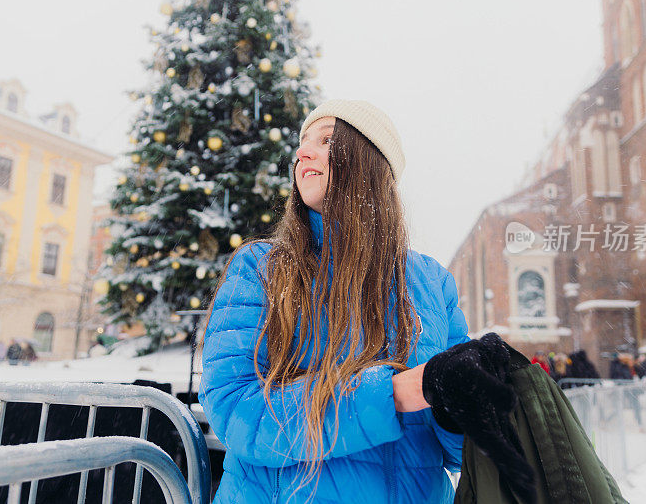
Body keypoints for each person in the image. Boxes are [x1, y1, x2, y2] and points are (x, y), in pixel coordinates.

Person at [200, 100, 470, 503]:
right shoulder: (260, 269)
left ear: (371, 161)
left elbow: (458, 453)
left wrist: (463, 397)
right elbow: (235, 411)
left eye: (326, 140)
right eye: (302, 144)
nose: (303, 153)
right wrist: (392, 395)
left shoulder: (433, 283)